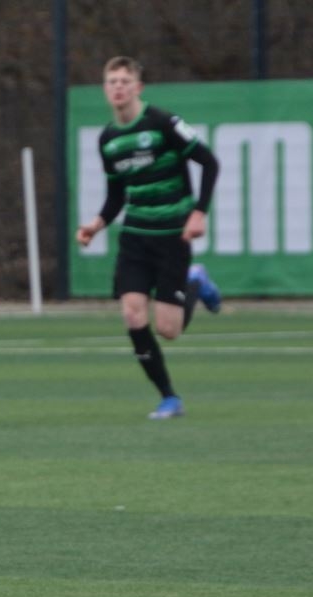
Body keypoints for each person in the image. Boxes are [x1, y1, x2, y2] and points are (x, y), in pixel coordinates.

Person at [76, 56, 222, 420]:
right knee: (132, 313)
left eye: (125, 81)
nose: (118, 87)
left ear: (138, 87)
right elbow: (116, 196)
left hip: (173, 235)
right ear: (105, 89)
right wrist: (96, 225)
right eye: (112, 81)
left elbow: (209, 162)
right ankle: (169, 397)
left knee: (169, 330)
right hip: (135, 238)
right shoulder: (108, 139)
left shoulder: (162, 123)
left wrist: (198, 212)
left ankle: (195, 279)